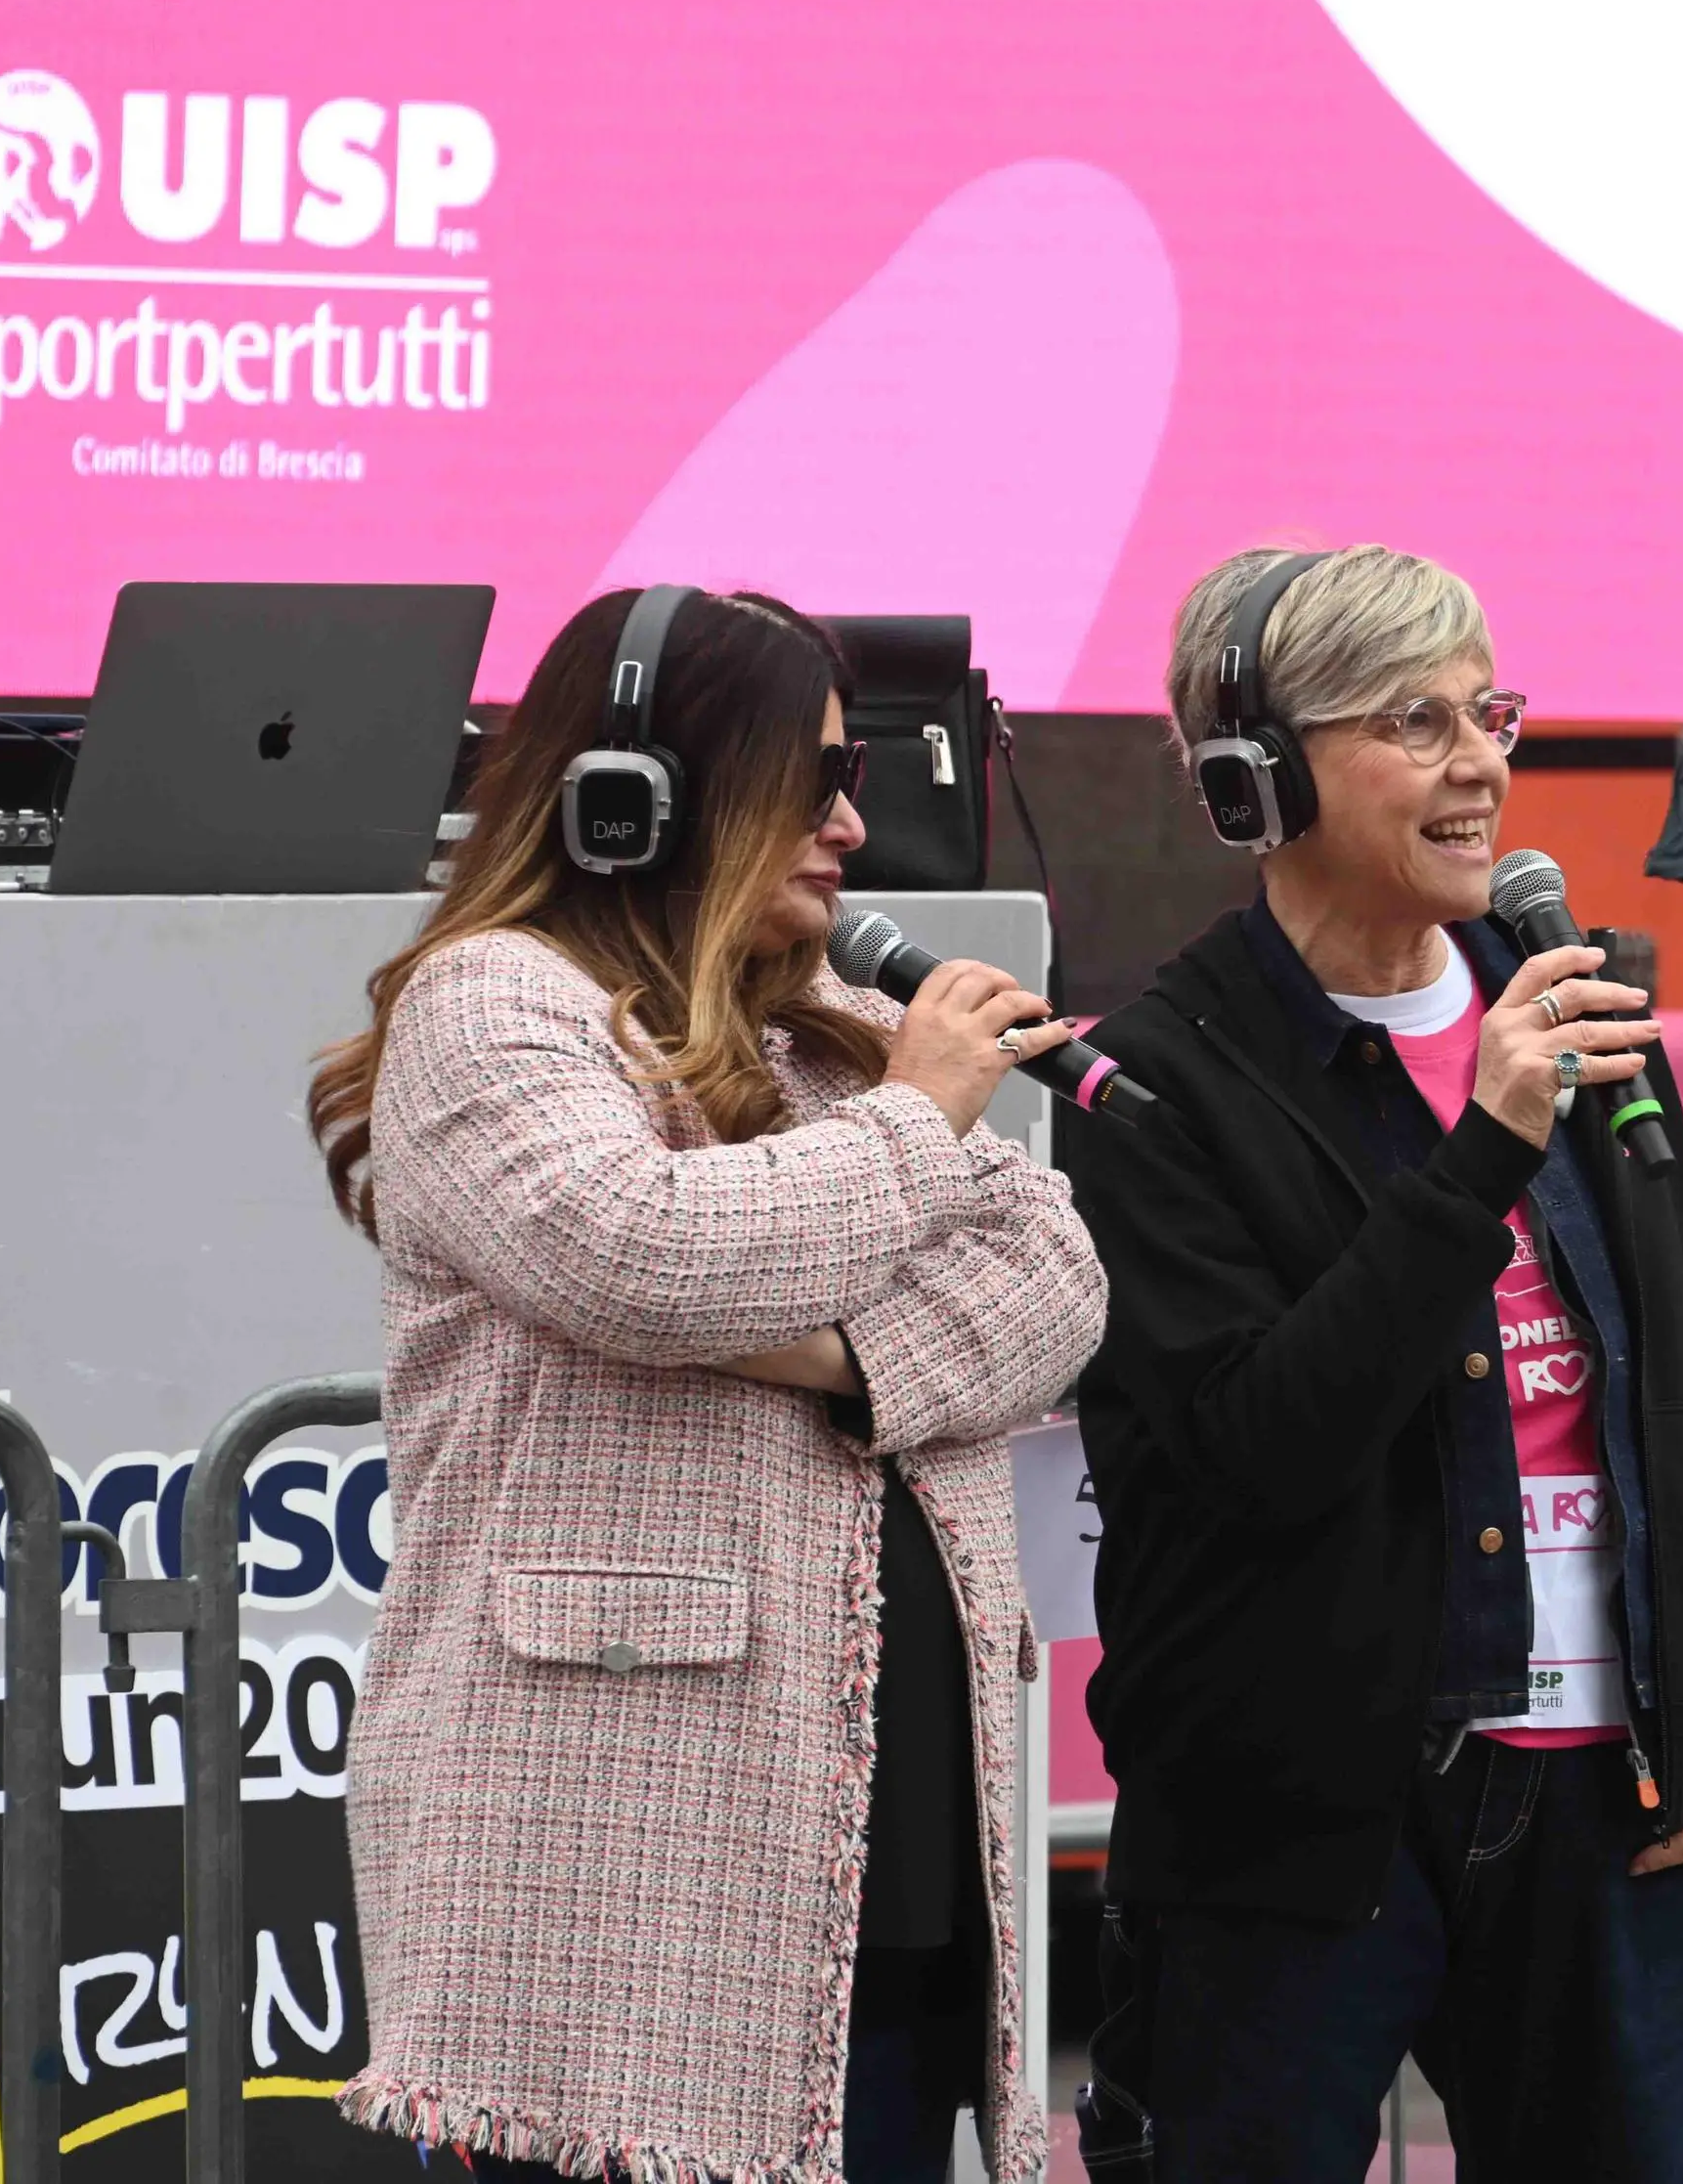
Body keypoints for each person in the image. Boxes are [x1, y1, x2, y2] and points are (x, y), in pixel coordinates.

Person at [303, 585, 1105, 2184]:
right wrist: (920, 1118)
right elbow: (644, 1257)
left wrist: (834, 1356)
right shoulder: (492, 1002)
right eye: (814, 781)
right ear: (648, 794)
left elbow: (1056, 1283)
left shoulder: (828, 1030)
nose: (852, 823)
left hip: (897, 1860)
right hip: (619, 1884)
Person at [1060, 545, 1683, 2182]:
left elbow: (1680, 1398)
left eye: (1490, 710)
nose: (1481, 763)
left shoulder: (1580, 1017)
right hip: (1302, 1822)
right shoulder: (1155, 1087)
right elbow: (1259, 1445)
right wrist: (1480, 1151)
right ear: (1257, 779)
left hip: (1616, 1799)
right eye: (1415, 720)